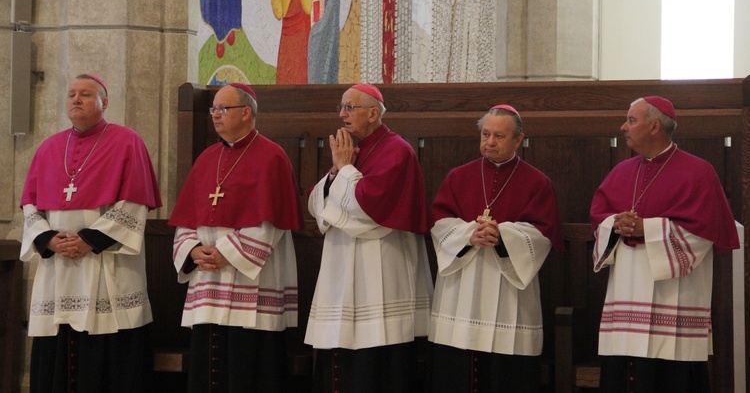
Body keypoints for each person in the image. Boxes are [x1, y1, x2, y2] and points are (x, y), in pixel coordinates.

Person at [20, 73, 162, 392]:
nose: (76, 99)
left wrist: (89, 239)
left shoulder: (127, 141)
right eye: (71, 94)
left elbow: (136, 202)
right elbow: (30, 203)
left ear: (104, 103)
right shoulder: (49, 147)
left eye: (85, 94)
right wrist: (48, 239)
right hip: (58, 265)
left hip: (106, 261)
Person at [590, 96, 740, 392]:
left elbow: (703, 233)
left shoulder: (698, 172)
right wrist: (616, 224)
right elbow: (599, 217)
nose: (624, 126)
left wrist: (647, 228)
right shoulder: (621, 172)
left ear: (655, 126)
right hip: (627, 287)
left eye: (631, 120)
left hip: (674, 297)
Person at [168, 83, 303, 392]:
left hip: (251, 276)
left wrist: (226, 252)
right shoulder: (206, 158)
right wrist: (193, 250)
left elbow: (272, 221)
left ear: (246, 113)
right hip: (208, 277)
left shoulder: (272, 157)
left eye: (223, 109)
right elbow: (187, 217)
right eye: (213, 109)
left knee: (251, 364)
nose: (215, 115)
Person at [306, 83, 433, 392]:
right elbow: (318, 205)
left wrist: (345, 169)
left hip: (380, 271)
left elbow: (371, 209)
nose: (342, 113)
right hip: (341, 267)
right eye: (341, 106)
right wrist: (338, 171)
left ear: (374, 113)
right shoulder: (352, 150)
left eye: (350, 107)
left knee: (378, 361)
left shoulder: (397, 150)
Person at [429, 105, 564, 392]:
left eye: (499, 136)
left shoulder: (538, 182)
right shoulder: (457, 176)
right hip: (462, 284)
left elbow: (544, 233)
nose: (489, 142)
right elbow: (438, 221)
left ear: (518, 139)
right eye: (485, 134)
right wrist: (469, 233)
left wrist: (502, 235)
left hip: (509, 287)